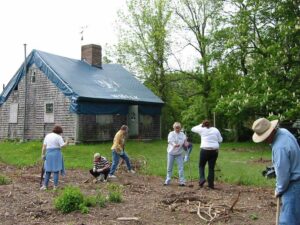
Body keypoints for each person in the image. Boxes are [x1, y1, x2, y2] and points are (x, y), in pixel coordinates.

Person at [252, 118, 300, 224]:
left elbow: (283, 175)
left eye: (264, 137)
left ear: (270, 132)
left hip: (293, 185)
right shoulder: (283, 132)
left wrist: (279, 189)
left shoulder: (280, 147)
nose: (264, 140)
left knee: (288, 221)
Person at [191, 120, 223, 189]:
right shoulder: (215, 130)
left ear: (203, 125)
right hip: (214, 151)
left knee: (201, 165)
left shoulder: (202, 129)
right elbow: (220, 140)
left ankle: (202, 179)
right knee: (211, 168)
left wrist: (200, 124)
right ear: (210, 124)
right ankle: (211, 184)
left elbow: (192, 129)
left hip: (204, 150)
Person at [40, 125, 68, 190]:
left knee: (48, 170)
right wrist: (66, 142)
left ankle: (45, 186)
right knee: (56, 171)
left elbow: (44, 147)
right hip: (56, 154)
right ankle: (55, 187)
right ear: (60, 131)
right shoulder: (59, 137)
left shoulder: (47, 136)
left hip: (48, 154)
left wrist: (42, 155)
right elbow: (63, 146)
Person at [164, 122, 186, 186]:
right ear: (174, 128)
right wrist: (174, 145)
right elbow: (170, 141)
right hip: (171, 152)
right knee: (169, 167)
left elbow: (185, 141)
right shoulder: (171, 134)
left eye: (179, 128)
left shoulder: (182, 134)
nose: (177, 129)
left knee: (181, 167)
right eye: (176, 128)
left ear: (180, 128)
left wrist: (186, 143)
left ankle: (182, 182)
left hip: (179, 153)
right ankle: (167, 180)